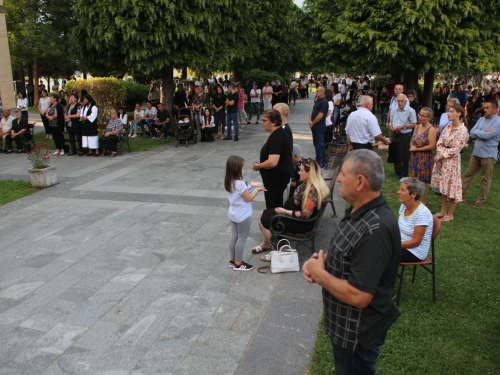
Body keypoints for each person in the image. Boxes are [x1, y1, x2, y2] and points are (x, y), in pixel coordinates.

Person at [302, 150, 401, 375]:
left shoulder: (376, 229)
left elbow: (359, 295)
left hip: (356, 335)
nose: (337, 178)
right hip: (344, 329)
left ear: (359, 181)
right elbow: (352, 254)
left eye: (342, 174)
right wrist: (320, 263)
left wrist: (321, 275)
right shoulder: (360, 210)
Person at [254, 158, 329, 256]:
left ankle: (277, 251)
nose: (299, 172)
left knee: (264, 218)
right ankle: (266, 243)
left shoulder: (312, 191)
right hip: (295, 217)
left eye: (301, 170)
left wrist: (284, 211)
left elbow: (304, 215)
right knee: (263, 214)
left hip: (301, 223)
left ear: (309, 173)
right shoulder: (310, 184)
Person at [224, 155, 265, 271]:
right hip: (243, 215)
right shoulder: (240, 183)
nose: (243, 170)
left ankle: (232, 260)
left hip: (233, 213)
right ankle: (238, 263)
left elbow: (240, 193)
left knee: (234, 236)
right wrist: (256, 190)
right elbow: (248, 198)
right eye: (242, 168)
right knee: (241, 239)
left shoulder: (229, 180)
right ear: (236, 169)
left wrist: (250, 185)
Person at [431, 104, 469, 222]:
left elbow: (456, 149)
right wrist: (438, 153)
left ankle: (450, 214)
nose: (449, 113)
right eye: (448, 111)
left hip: (452, 161)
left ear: (459, 114)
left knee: (451, 186)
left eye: (452, 111)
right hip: (442, 159)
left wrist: (442, 154)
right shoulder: (448, 126)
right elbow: (440, 140)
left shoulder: (463, 130)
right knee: (443, 185)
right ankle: (442, 211)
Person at [252, 109, 293, 209]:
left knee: (274, 205)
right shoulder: (276, 133)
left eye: (265, 120)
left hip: (276, 179)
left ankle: (274, 223)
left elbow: (272, 162)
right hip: (274, 178)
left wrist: (258, 166)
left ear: (274, 122)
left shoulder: (278, 136)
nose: (262, 123)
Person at [462, 100, 500, 207]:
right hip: (476, 152)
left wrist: (479, 133)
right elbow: (472, 133)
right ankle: (461, 194)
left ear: (495, 109)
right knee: (468, 174)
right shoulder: (481, 119)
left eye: (487, 108)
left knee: (485, 178)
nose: (485, 109)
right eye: (485, 107)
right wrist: (482, 132)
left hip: (488, 154)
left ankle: (481, 200)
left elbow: (488, 136)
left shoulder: (498, 122)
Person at [397, 177, 434, 262]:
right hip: (401, 244)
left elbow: (415, 242)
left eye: (402, 190)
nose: (398, 192)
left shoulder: (422, 214)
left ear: (413, 194)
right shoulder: (404, 205)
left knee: (381, 253)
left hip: (415, 251)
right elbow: (396, 227)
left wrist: (394, 244)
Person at [409, 107, 437, 204]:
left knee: (422, 182)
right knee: (414, 180)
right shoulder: (417, 127)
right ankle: (414, 199)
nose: (420, 117)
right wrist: (412, 146)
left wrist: (418, 149)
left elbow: (432, 145)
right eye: (419, 115)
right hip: (415, 157)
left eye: (423, 116)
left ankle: (422, 202)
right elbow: (412, 140)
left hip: (424, 158)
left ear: (429, 118)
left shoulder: (431, 129)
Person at [389, 94, 417, 178]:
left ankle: (404, 173)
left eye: (402, 101)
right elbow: (392, 121)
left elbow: (414, 124)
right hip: (395, 133)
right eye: (398, 101)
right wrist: (392, 126)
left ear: (406, 101)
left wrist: (403, 127)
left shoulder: (410, 111)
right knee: (396, 152)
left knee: (404, 154)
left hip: (405, 134)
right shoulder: (394, 110)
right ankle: (397, 171)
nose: (400, 103)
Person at [308, 86, 329, 168]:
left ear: (322, 92)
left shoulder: (324, 102)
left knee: (320, 144)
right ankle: (317, 159)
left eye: (318, 91)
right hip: (314, 126)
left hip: (319, 126)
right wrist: (310, 120)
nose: (316, 92)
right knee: (316, 143)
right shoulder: (317, 100)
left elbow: (320, 115)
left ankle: (322, 161)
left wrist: (313, 122)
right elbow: (313, 112)